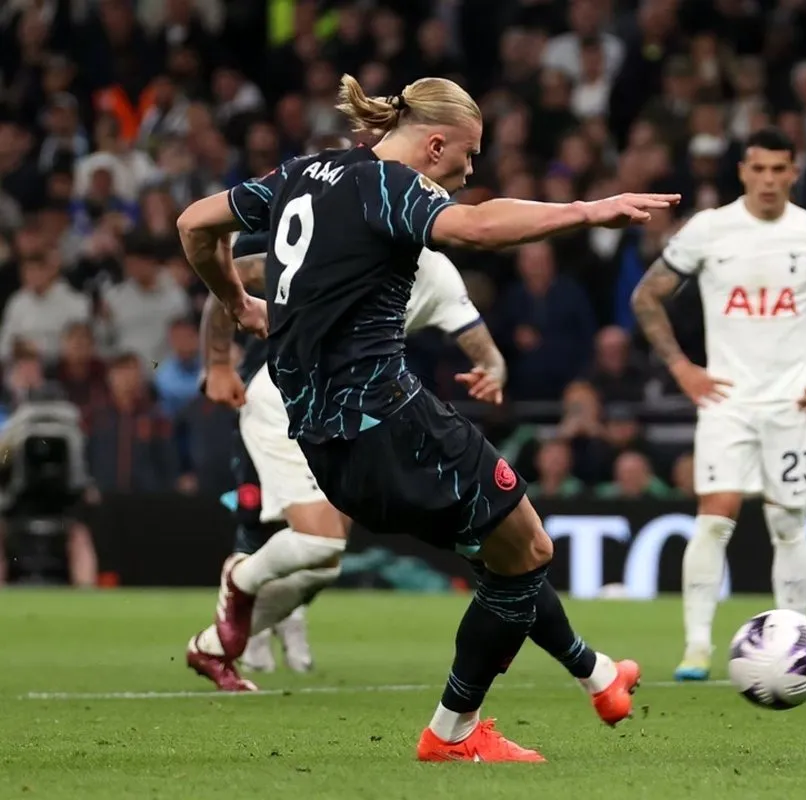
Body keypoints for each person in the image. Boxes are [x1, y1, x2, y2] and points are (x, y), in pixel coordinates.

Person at [176, 74, 679, 762]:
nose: (469, 172)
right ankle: (454, 731)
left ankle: (595, 676)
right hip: (387, 420)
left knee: (510, 551)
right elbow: (477, 226)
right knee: (526, 551)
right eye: (468, 156)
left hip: (325, 446)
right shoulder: (391, 186)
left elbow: (194, 223)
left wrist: (235, 300)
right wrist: (589, 211)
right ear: (436, 144)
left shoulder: (301, 174)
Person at [189, 229, 510, 683]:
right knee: (320, 543)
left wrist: (494, 371)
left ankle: (214, 645)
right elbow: (237, 272)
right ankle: (240, 576)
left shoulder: (437, 275)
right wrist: (219, 364)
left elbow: (486, 351)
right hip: (284, 402)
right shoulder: (344, 243)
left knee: (322, 566)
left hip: (343, 416)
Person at [630, 127, 806, 682]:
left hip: (793, 401)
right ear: (743, 172)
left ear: (793, 173)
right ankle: (696, 647)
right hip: (727, 399)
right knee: (713, 516)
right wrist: (681, 368)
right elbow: (646, 295)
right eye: (759, 169)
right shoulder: (709, 229)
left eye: (779, 169)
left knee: (789, 521)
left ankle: (794, 644)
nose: (769, 180)